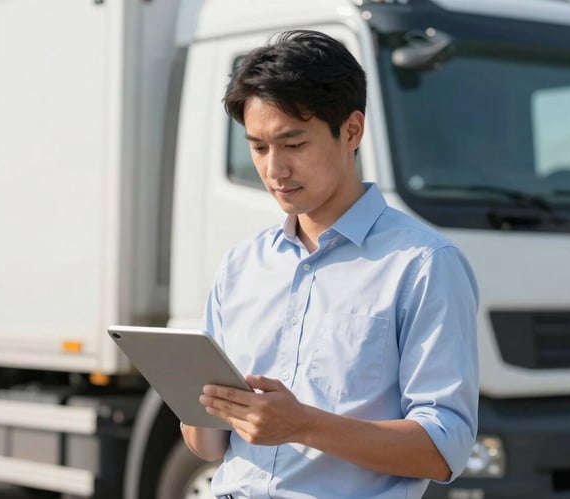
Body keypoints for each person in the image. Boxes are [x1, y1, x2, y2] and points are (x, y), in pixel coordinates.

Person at [180, 30, 479, 499]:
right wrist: (197, 405)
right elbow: (209, 447)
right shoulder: (241, 266)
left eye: (293, 145)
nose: (274, 170)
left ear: (352, 131)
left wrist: (304, 425)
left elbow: (446, 449)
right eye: (258, 147)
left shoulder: (423, 264)